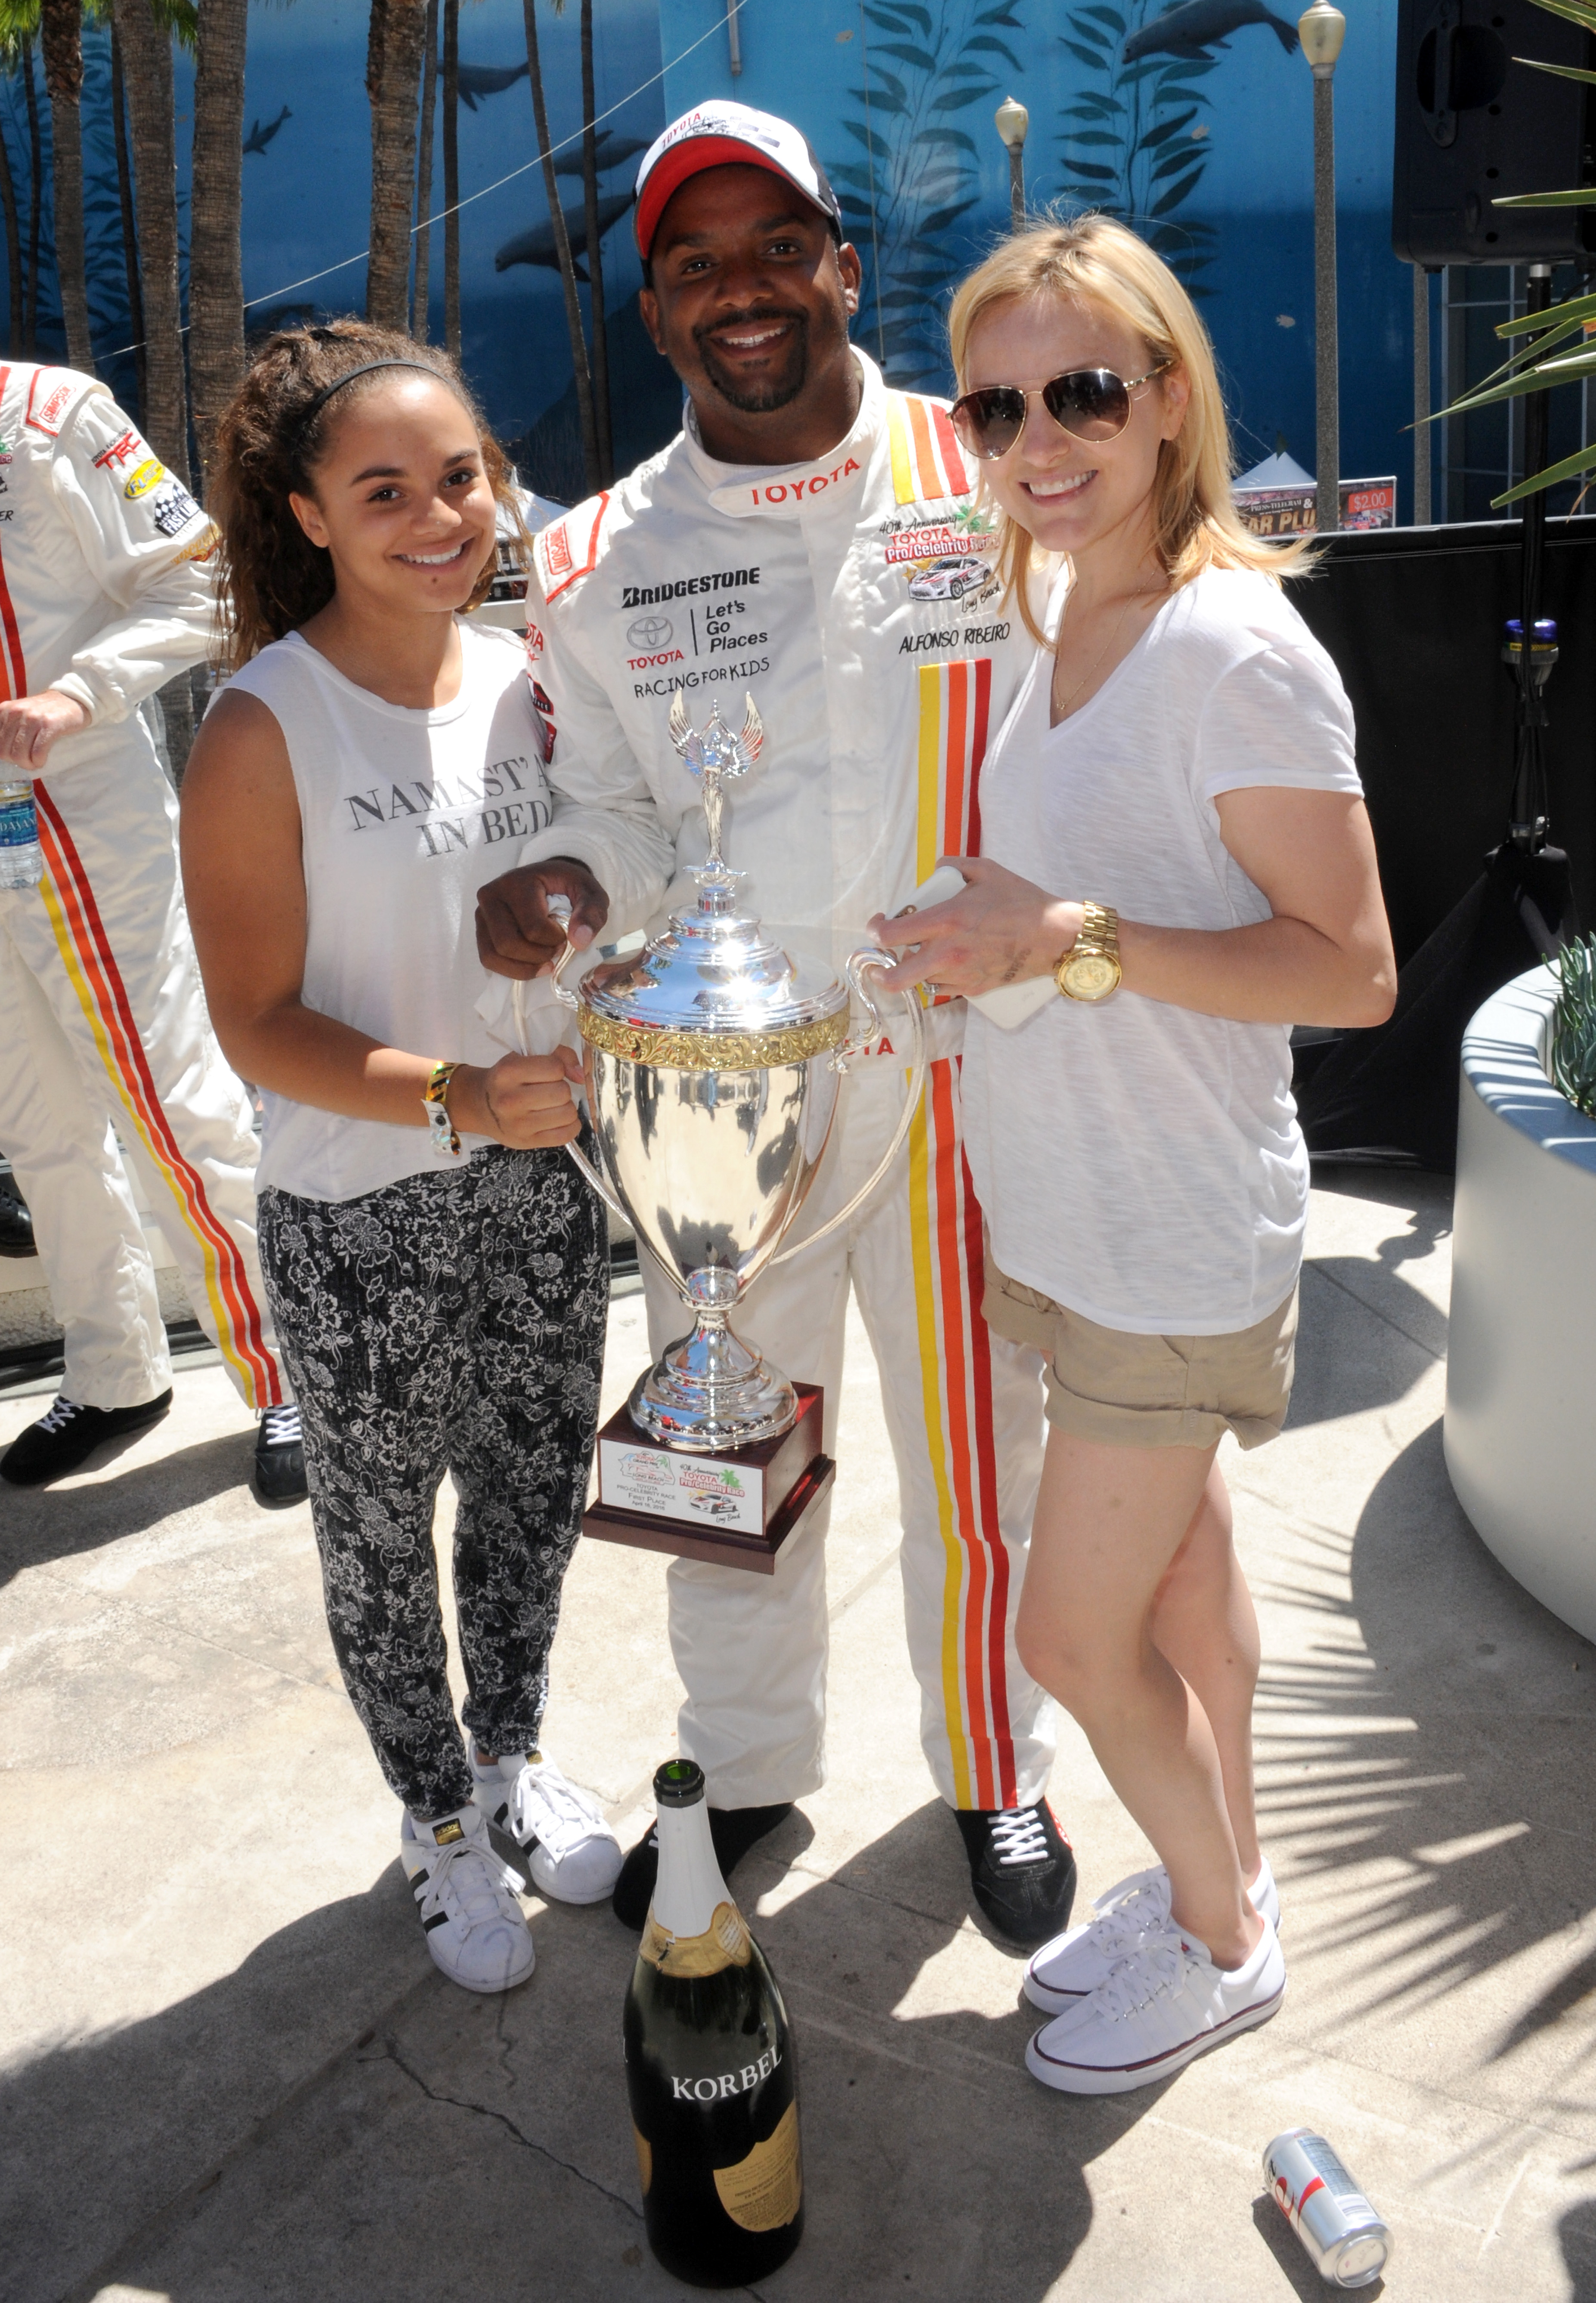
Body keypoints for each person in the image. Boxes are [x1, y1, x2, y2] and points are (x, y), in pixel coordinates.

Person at [473, 102, 1075, 1948]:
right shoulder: (594, 565)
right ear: (654, 311)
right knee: (729, 1437)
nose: (740, 293)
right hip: (718, 1102)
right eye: (692, 264)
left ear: (842, 264)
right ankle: (745, 1771)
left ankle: (996, 1768)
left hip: (957, 1063)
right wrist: (568, 884)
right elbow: (618, 809)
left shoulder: (991, 473)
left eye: (771, 249)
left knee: (983, 1455)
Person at [869, 216, 1397, 2091]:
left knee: (1073, 1640)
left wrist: (1064, 936)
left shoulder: (1231, 647)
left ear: (1171, 395)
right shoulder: (1056, 599)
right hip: (1076, 1208)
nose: (1039, 435)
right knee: (1181, 1592)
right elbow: (1085, 893)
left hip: (1172, 1236)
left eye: (1085, 388)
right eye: (996, 401)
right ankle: (1216, 1874)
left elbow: (1351, 969)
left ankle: (1228, 1941)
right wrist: (974, 929)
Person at [179, 321, 620, 1994]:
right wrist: (456, 1095)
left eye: (464, 479)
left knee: (529, 1506)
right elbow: (259, 1023)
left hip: (547, 1188)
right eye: (387, 491)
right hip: (365, 1218)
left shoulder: (537, 684)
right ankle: (437, 1822)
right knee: (381, 1540)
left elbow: (597, 892)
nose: (443, 518)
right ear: (305, 513)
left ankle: (510, 1760)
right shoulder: (261, 728)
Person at [0, 359, 302, 1497]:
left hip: (80, 813)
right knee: (38, 1129)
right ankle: (115, 1371)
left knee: (175, 1104)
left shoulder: (49, 416)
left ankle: (292, 1376)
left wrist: (78, 692)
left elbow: (199, 583)